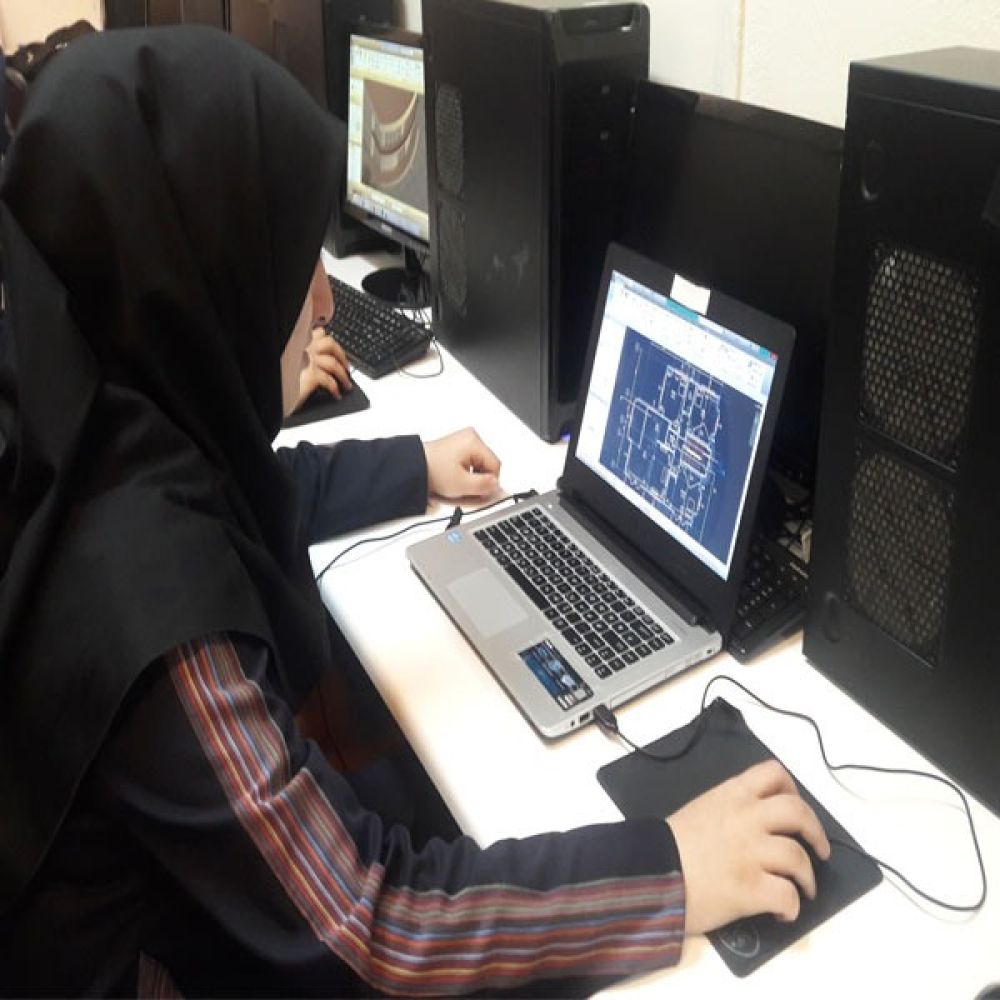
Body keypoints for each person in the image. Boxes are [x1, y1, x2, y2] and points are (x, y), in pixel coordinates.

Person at [0, 26, 829, 997]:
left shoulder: (85, 412)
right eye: (290, 254)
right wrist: (671, 872)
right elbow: (374, 926)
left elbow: (246, 493)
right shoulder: (149, 604)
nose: (321, 297)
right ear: (199, 267)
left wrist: (411, 467)